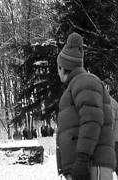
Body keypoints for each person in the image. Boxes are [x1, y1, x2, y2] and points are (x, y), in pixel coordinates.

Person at [56, 32, 115, 180]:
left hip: (92, 166)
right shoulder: (78, 84)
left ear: (62, 67)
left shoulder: (84, 82)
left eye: (57, 68)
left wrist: (82, 158)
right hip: (84, 168)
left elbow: (92, 120)